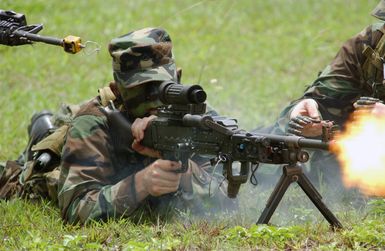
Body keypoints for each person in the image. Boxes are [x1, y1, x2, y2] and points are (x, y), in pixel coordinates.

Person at [0, 27, 236, 224]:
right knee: (30, 171)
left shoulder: (192, 112)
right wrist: (141, 183)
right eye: (141, 89)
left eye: (161, 88)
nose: (153, 99)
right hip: (47, 171)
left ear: (177, 79)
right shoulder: (92, 122)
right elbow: (76, 209)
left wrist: (185, 172)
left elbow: (228, 190)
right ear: (117, 89)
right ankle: (43, 131)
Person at [266, 1, 385, 188]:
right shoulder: (370, 43)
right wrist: (302, 112)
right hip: (361, 157)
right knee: (258, 143)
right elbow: (323, 95)